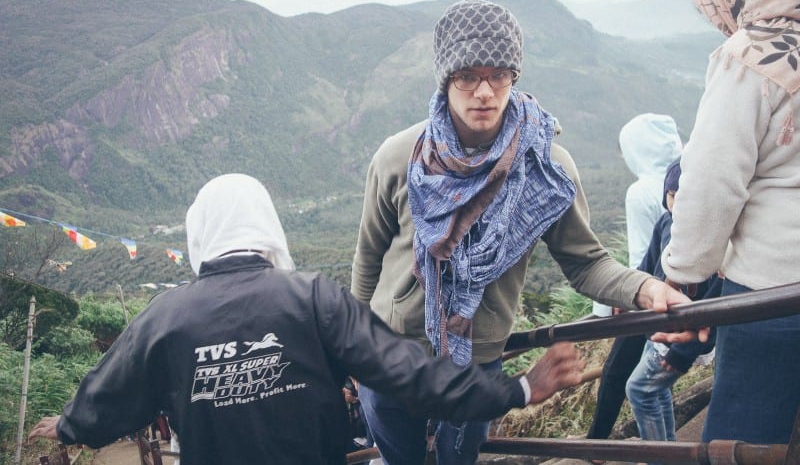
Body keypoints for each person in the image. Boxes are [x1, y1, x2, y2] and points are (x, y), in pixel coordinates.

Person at [28, 174, 587, 464]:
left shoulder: (165, 317)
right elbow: (409, 373)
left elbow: (111, 394)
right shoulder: (312, 298)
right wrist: (517, 388)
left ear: (200, 233)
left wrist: (71, 424)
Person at [350, 0, 695, 465]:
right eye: (467, 76)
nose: (484, 92)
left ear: (515, 76)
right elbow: (369, 257)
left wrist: (647, 289)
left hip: (475, 366)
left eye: (498, 74)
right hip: (389, 357)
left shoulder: (547, 168)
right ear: (446, 79)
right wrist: (354, 347)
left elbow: (585, 261)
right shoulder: (399, 157)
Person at [659, 0, 800, 445]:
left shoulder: (752, 55)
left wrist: (681, 280)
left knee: (743, 444)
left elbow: (712, 181)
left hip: (775, 297)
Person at [587, 114, 682, 440]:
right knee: (654, 381)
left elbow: (642, 255)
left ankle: (597, 446)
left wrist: (625, 297)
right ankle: (666, 448)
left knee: (619, 375)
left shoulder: (642, 191)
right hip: (677, 296)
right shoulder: (685, 179)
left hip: (650, 297)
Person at [625, 159, 722, 452]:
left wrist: (684, 352)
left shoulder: (713, 238)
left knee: (639, 390)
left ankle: (660, 455)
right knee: (656, 391)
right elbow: (645, 267)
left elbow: (716, 302)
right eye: (672, 195)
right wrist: (628, 296)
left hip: (679, 336)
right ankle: (669, 447)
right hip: (655, 327)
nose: (678, 203)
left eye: (685, 196)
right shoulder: (666, 223)